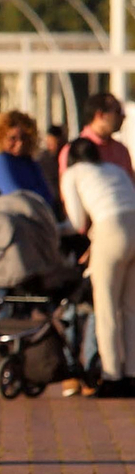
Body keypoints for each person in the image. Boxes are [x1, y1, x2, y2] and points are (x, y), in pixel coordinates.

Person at [60, 136, 135, 396]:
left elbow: (77, 222)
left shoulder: (73, 173)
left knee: (106, 307)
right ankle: (132, 373)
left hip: (109, 230)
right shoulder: (114, 169)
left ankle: (112, 376)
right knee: (130, 309)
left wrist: (55, 230)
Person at [0, 110, 53, 205]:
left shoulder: (29, 162)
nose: (20, 143)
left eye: (24, 138)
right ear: (0, 138)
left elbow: (48, 196)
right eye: (12, 138)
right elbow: (15, 197)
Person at [61, 93, 133, 180]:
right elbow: (68, 188)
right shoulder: (74, 151)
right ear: (100, 115)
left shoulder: (121, 150)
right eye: (117, 111)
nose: (123, 116)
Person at [39, 124, 68, 211]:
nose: (50, 146)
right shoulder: (42, 159)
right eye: (49, 143)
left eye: (53, 143)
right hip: (50, 202)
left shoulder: (68, 155)